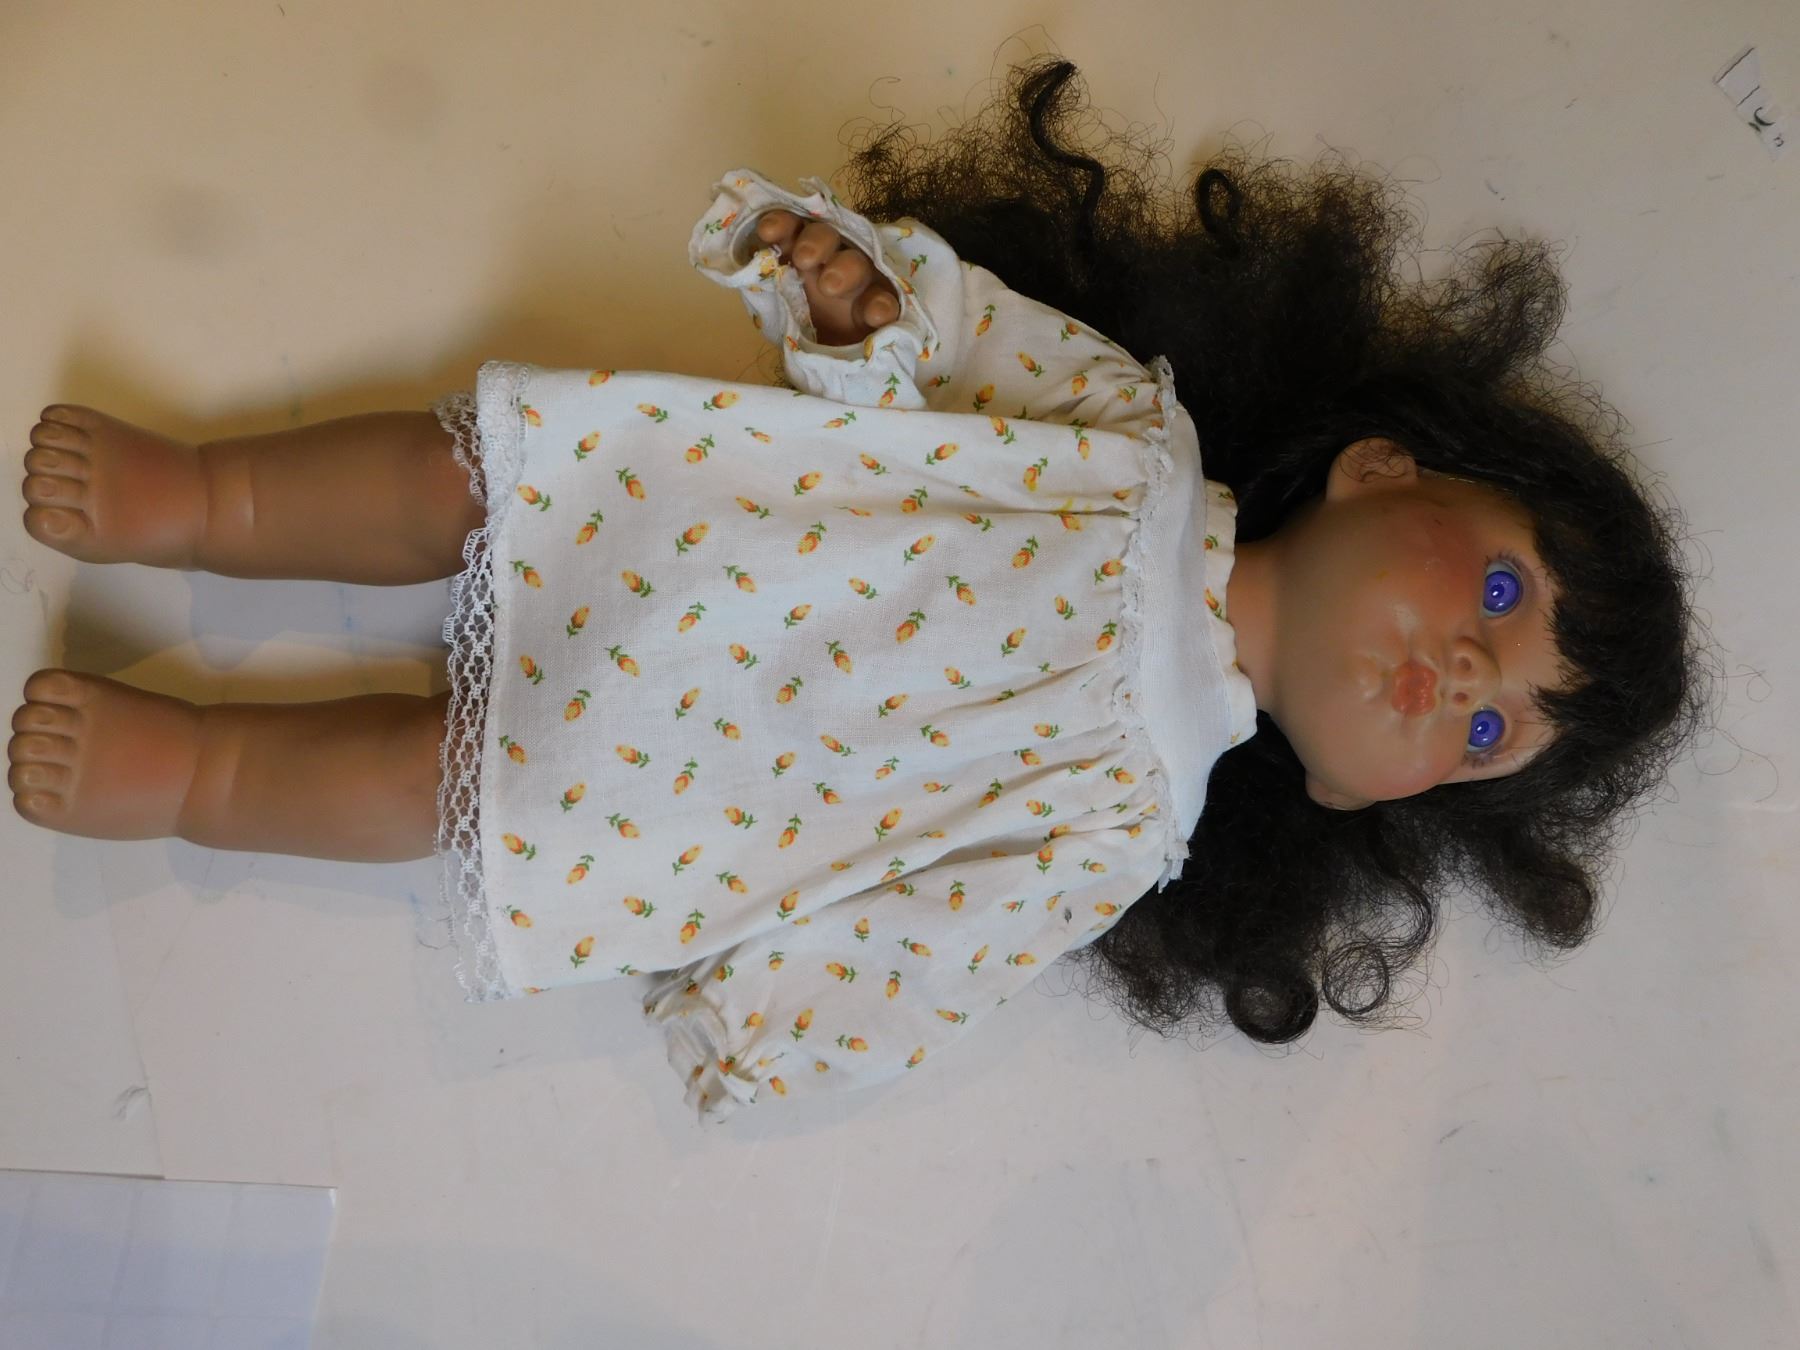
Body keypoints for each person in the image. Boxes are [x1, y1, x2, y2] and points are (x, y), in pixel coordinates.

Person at [8, 58, 1706, 1121]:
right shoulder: (1137, 438)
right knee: (475, 480)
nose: (1463, 671)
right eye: (1502, 588)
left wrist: (766, 1019)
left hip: (712, 789)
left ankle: (194, 769)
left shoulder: (1131, 827)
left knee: (447, 792)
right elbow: (969, 345)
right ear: (1378, 466)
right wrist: (867, 311)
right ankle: (197, 490)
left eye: (1489, 731)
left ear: (1354, 798)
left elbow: (931, 951)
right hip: (719, 523)